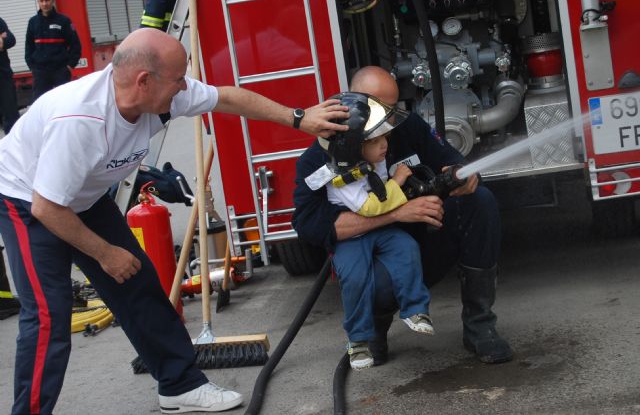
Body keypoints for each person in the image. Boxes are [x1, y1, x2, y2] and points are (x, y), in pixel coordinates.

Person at [0, 27, 348, 415]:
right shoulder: (80, 121)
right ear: (144, 81)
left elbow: (227, 97)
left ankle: (180, 385)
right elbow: (47, 208)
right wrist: (104, 253)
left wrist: (299, 118)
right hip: (26, 198)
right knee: (50, 314)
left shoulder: (162, 96)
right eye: (178, 78)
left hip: (83, 196)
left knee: (139, 285)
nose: (185, 87)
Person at [293, 65, 513, 366]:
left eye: (393, 106)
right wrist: (397, 213)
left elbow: (449, 160)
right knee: (372, 279)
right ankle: (374, 328)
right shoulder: (321, 156)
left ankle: (480, 325)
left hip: (417, 245)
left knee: (479, 201)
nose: (388, 119)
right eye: (379, 107)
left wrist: (458, 174)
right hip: (369, 258)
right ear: (354, 104)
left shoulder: (407, 127)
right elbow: (309, 225)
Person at [320, 92, 434, 370]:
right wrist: (397, 180)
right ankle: (358, 341)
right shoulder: (340, 176)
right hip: (353, 238)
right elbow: (370, 208)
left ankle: (415, 310)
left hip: (380, 230)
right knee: (356, 278)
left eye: (385, 138)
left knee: (407, 248)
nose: (386, 145)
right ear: (353, 147)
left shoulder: (373, 160)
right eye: (376, 141)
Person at [25, 0, 81, 101]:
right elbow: (28, 46)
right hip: (40, 71)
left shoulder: (64, 21)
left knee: (64, 102)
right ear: (38, 2)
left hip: (60, 70)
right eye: (41, 1)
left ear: (52, 0)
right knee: (40, 103)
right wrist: (32, 67)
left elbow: (76, 45)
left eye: (47, 0)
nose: (44, 4)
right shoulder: (33, 22)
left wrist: (70, 66)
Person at [0, 16, 20, 135]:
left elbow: (11, 39)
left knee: (11, 115)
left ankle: (14, 147)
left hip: (3, 75)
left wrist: (3, 42)